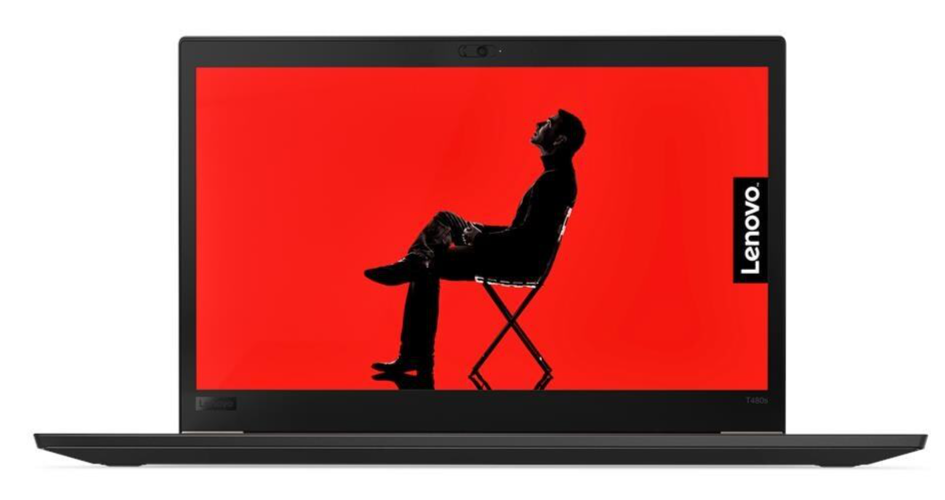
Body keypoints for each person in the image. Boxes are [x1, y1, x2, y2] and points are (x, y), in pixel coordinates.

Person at [364, 109, 585, 381]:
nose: (540, 123)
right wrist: (480, 232)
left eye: (549, 123)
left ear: (559, 140)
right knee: (445, 219)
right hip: (512, 253)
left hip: (517, 262)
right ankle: (413, 264)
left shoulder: (554, 182)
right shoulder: (556, 177)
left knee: (429, 264)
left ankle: (417, 356)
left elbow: (526, 241)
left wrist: (479, 239)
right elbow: (522, 233)